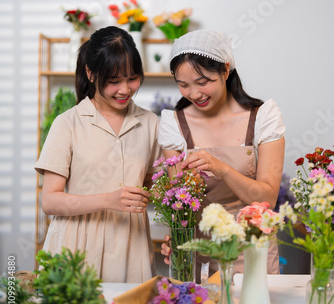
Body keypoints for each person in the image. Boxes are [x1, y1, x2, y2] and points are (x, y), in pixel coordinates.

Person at [35, 26, 161, 283]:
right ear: (90, 74)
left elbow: (154, 185)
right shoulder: (68, 123)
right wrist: (108, 200)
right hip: (75, 247)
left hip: (131, 247)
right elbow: (50, 202)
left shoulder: (151, 123)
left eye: (132, 78)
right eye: (114, 81)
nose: (125, 89)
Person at [159, 30, 285, 280]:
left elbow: (268, 198)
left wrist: (223, 169)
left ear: (225, 71)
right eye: (183, 85)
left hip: (252, 248)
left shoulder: (262, 118)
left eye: (203, 82)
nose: (194, 94)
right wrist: (175, 236)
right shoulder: (174, 124)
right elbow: (180, 203)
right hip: (198, 252)